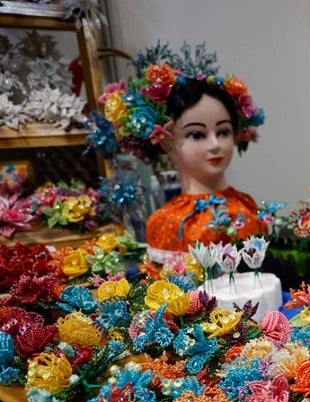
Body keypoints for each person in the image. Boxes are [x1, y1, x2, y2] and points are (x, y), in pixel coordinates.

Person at [88, 42, 267, 263]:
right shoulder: (167, 222)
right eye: (196, 135)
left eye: (223, 132)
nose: (215, 144)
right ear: (163, 141)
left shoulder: (246, 206)